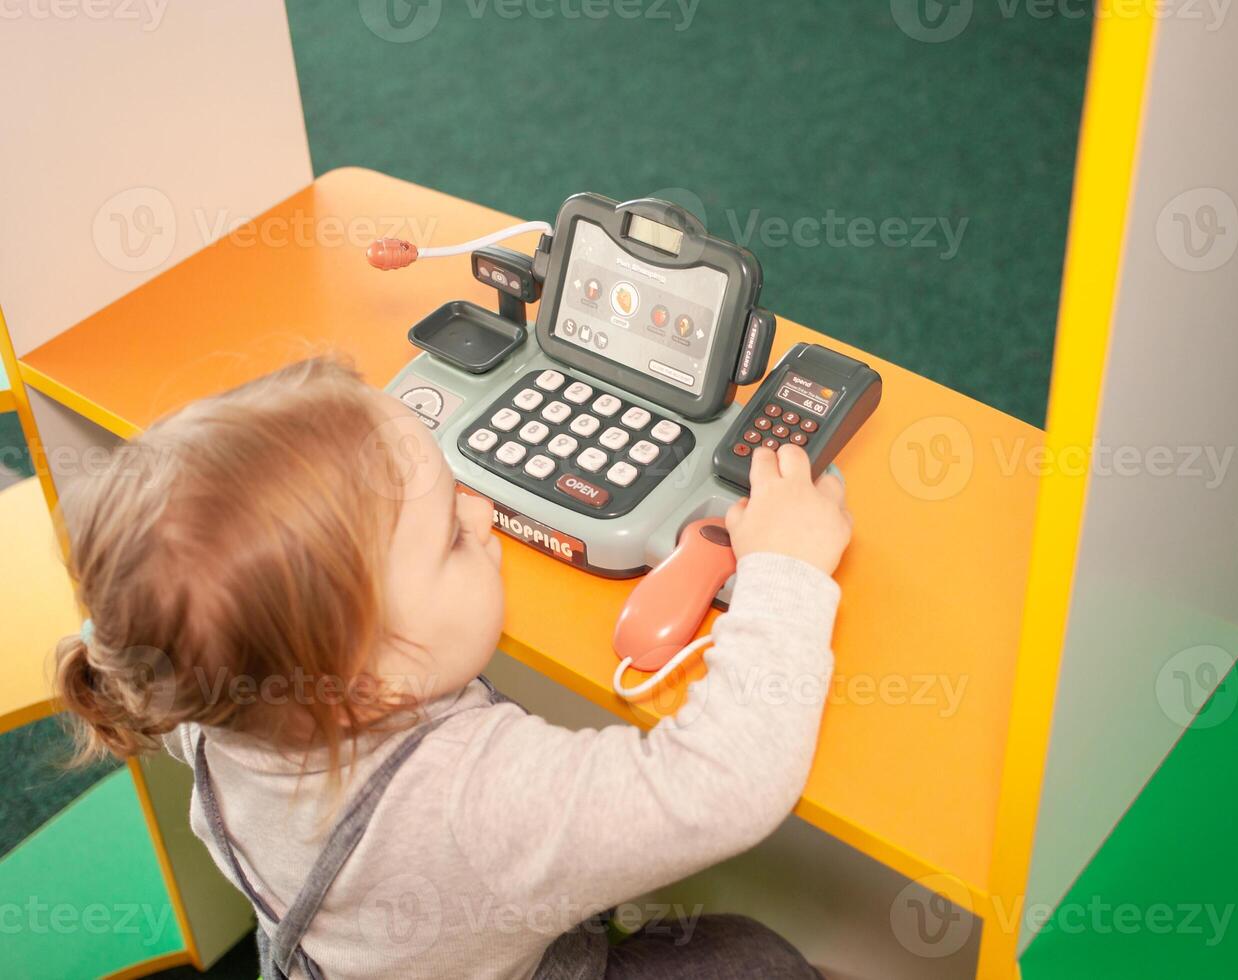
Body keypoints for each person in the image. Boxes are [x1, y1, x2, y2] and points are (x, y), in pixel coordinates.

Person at [54, 356, 852, 979]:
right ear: (371, 678)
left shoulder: (205, 697)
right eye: (448, 535)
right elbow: (723, 785)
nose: (480, 511)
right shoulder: (478, 801)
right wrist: (787, 574)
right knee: (758, 957)